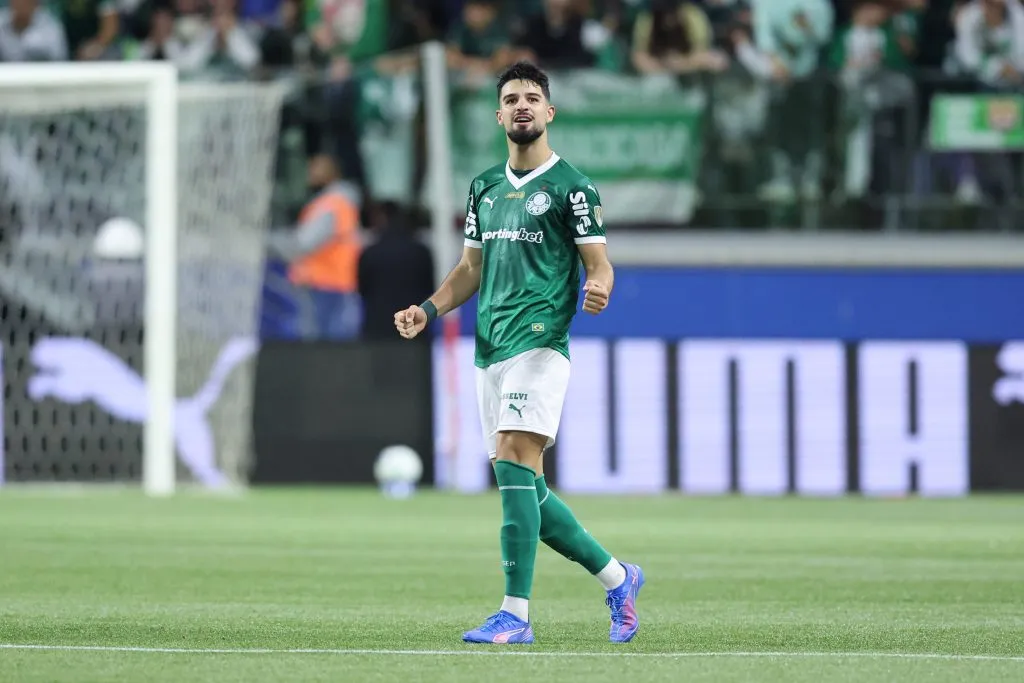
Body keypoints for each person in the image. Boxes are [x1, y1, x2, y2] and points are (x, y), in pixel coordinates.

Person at [393, 61, 643, 645]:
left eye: (533, 97)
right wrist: (426, 310)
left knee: (511, 456)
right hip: (491, 350)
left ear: (549, 112)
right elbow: (470, 270)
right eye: (512, 98)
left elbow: (597, 258)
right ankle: (618, 577)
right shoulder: (484, 187)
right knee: (522, 482)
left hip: (541, 343)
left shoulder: (572, 186)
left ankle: (515, 614)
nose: (523, 105)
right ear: (499, 115)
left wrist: (601, 283)